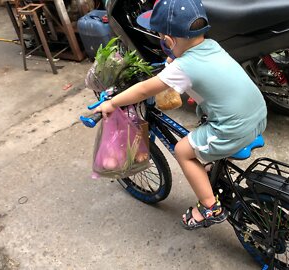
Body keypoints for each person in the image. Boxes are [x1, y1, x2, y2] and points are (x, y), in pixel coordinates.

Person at [94, 0, 267, 230]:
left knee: (183, 151)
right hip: (257, 114)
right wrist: (171, 61)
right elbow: (187, 63)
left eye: (160, 35)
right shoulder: (211, 46)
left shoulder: (184, 67)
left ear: (169, 40)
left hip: (233, 128)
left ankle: (209, 207)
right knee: (202, 129)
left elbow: (145, 89)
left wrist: (112, 103)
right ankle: (209, 168)